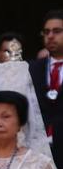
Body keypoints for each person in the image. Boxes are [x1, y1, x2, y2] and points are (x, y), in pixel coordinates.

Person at [31, 10, 63, 155]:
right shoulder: (31, 69)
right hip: (39, 152)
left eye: (57, 31)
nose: (50, 36)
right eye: (46, 32)